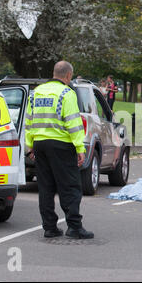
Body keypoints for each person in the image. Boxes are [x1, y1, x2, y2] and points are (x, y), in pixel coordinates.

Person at [25, 61, 94, 239]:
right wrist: (80, 148)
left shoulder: (36, 93)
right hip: (61, 144)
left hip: (40, 143)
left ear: (54, 73)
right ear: (68, 76)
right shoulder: (67, 93)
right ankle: (74, 227)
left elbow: (29, 121)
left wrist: (30, 144)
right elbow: (73, 123)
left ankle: (49, 227)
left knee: (46, 187)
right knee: (70, 186)